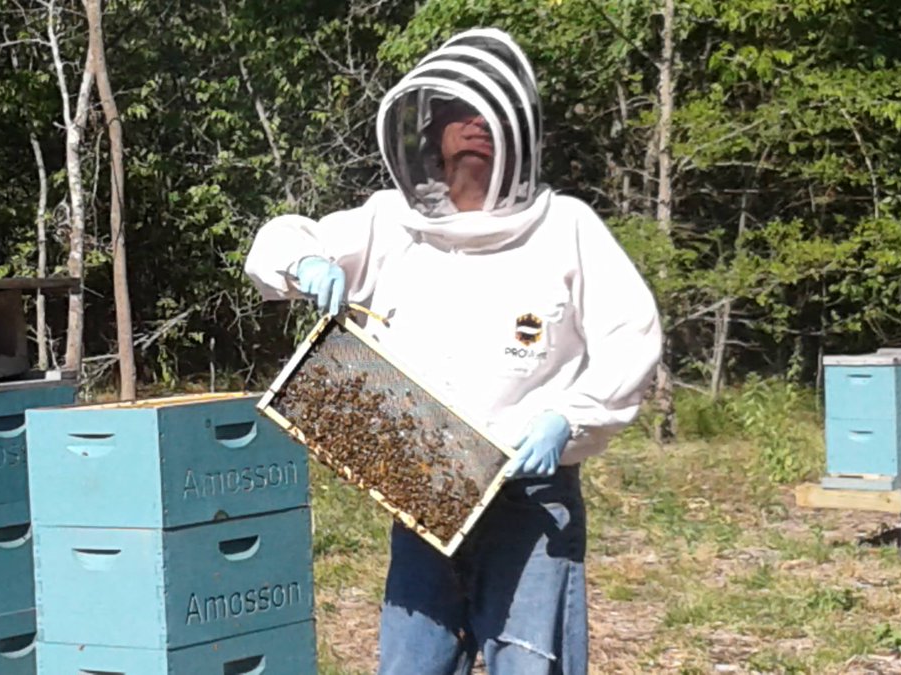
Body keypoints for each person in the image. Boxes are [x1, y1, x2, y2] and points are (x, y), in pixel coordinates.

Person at [244, 28, 662, 675]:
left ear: (519, 129)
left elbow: (631, 338)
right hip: (423, 485)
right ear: (430, 131)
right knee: (412, 665)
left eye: (488, 114)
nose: (474, 126)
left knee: (532, 666)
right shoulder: (390, 222)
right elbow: (276, 242)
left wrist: (569, 418)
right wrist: (306, 261)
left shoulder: (567, 228)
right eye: (457, 113)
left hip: (529, 498)